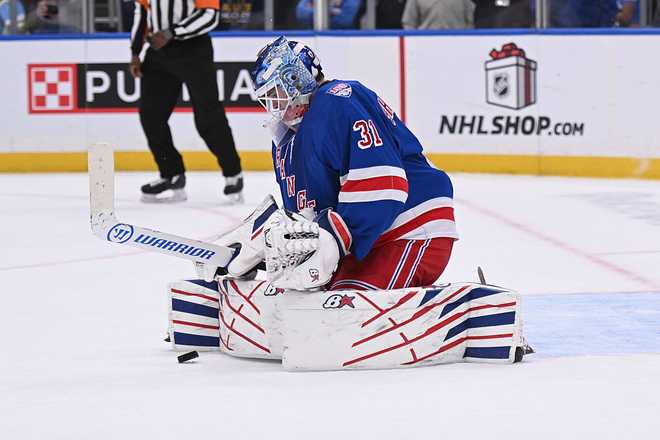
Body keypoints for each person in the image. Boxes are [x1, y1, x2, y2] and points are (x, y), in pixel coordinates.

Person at [219, 37, 457, 292]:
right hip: (367, 239)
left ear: (297, 78)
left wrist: (330, 237)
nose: (275, 106)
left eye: (278, 93)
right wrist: (271, 246)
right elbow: (310, 216)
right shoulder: (284, 140)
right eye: (267, 98)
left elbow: (386, 187)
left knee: (343, 309)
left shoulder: (337, 101)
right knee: (304, 303)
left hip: (409, 226)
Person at [129, 0, 244, 203]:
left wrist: (172, 32)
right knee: (151, 115)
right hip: (158, 51)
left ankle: (233, 174)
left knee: (208, 115)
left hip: (193, 50)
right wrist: (135, 51)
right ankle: (171, 174)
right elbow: (142, 12)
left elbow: (210, 15)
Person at [402, 0, 474, 29]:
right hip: (425, 46)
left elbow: (471, 21)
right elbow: (408, 23)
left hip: (457, 45)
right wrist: (414, 43)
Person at [295, 0, 362, 29]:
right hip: (314, 41)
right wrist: (330, 11)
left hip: (343, 40)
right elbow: (301, 13)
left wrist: (314, 8)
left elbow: (345, 20)